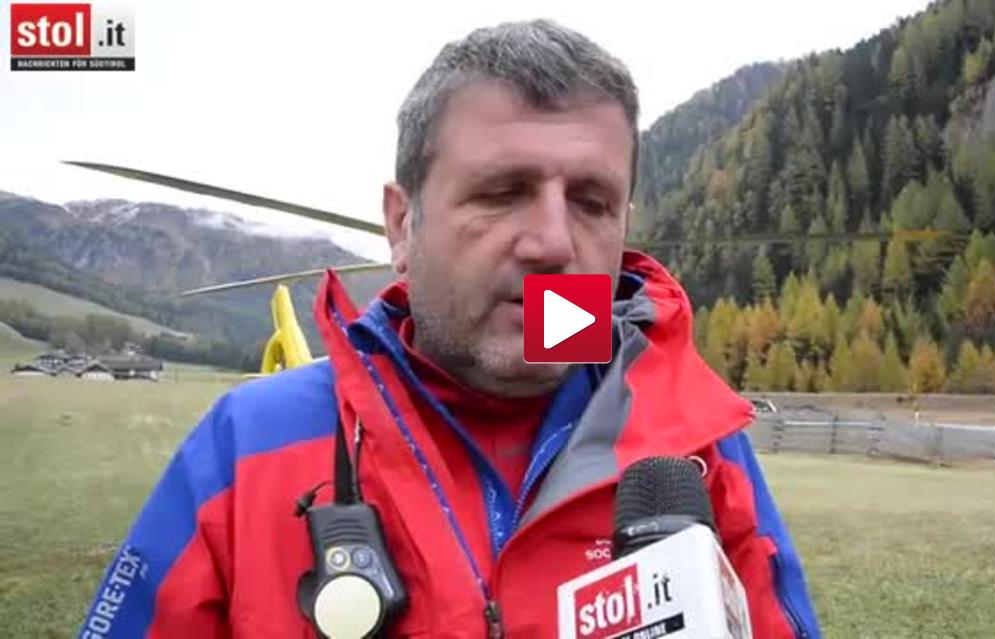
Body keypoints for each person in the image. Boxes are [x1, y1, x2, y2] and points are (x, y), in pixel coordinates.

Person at [79, 19, 821, 638]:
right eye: (502, 193)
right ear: (402, 224)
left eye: (592, 202)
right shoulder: (244, 450)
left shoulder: (695, 448)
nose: (553, 243)